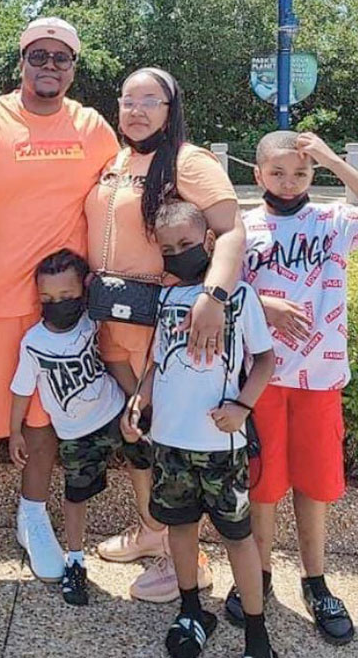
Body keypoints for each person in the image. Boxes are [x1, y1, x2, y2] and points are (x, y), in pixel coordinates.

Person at [0, 17, 120, 610]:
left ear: (73, 67)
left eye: (61, 58)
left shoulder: (92, 127)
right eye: (39, 56)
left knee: (43, 425)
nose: (50, 67)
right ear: (22, 62)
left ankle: (33, 520)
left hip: (60, 313)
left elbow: (124, 194)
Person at [225, 130, 358, 645]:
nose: (288, 182)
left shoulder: (333, 220)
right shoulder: (242, 227)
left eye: (301, 172)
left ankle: (316, 580)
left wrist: (333, 161)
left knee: (314, 483)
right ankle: (257, 575)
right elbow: (221, 288)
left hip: (319, 378)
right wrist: (264, 305)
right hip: (258, 380)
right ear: (257, 174)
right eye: (277, 172)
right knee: (262, 484)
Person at [88, 67, 245, 602]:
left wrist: (214, 298)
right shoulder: (116, 159)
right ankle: (154, 533)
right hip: (112, 320)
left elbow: (230, 231)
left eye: (149, 100)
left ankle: (191, 561)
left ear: (171, 107)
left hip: (163, 324)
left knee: (165, 438)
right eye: (128, 100)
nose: (136, 110)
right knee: (138, 436)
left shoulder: (188, 161)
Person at [123, 200, 277, 658]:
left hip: (220, 446)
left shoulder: (238, 297)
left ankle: (255, 629)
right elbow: (157, 362)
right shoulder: (168, 297)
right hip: (170, 445)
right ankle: (191, 609)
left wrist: (244, 406)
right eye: (169, 248)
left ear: (209, 243)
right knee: (180, 529)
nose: (178, 254)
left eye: (187, 244)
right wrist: (139, 400)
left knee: (237, 537)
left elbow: (265, 360)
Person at [3, 248, 148, 607]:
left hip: (114, 412)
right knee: (75, 496)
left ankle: (158, 534)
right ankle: (76, 559)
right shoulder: (34, 343)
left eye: (67, 297)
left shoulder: (90, 318)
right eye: (48, 299)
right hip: (74, 434)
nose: (58, 304)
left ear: (81, 293)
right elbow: (21, 390)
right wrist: (15, 431)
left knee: (147, 463)